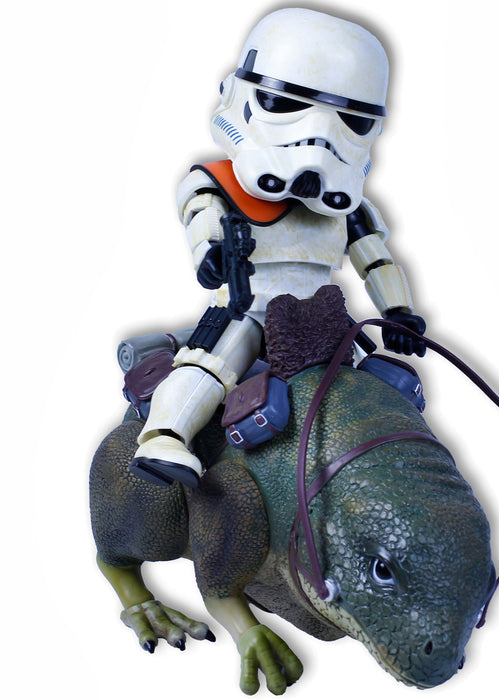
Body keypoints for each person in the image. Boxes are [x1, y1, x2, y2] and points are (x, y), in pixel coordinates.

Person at [130, 8, 427, 488]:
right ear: (240, 97)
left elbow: (376, 260)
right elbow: (203, 221)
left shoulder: (350, 210)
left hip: (323, 316)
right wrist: (210, 255)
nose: (320, 137)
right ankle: (165, 438)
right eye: (285, 104)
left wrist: (399, 313)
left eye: (350, 120)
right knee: (211, 365)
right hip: (249, 306)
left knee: (373, 391)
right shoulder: (220, 184)